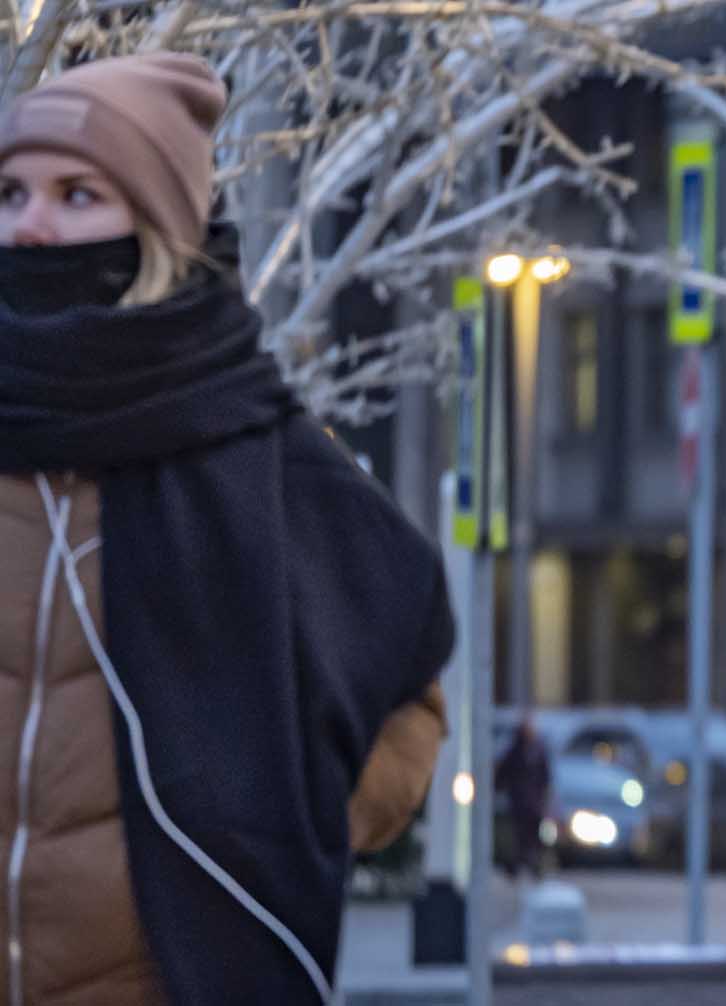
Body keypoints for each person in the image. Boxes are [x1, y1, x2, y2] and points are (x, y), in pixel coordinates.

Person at [0, 55, 453, 1003]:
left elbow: (402, 686)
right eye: (10, 193)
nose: (32, 227)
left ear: (162, 231)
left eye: (77, 195)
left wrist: (282, 813)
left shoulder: (256, 452)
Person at [497, 714, 553, 879]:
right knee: (520, 835)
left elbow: (545, 776)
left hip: (532, 801)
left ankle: (532, 864)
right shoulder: (516, 750)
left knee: (533, 835)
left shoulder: (537, 751)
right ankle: (520, 865)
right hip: (520, 800)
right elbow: (504, 773)